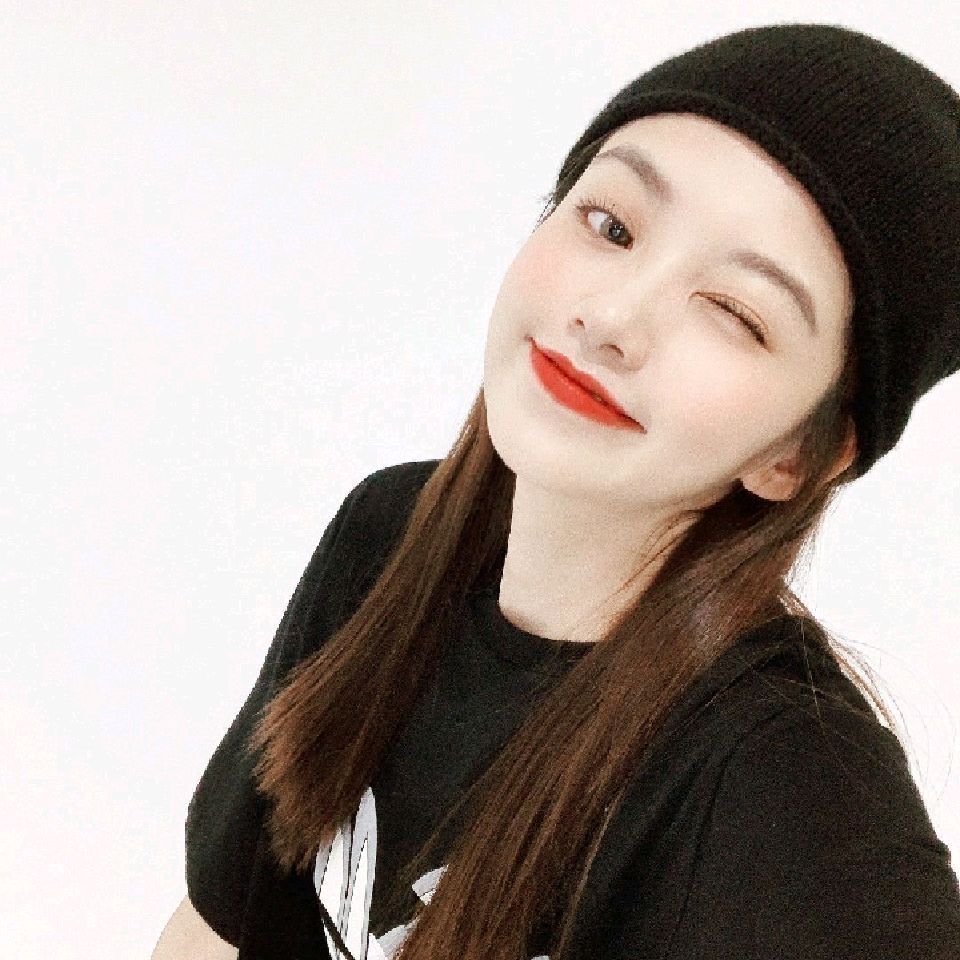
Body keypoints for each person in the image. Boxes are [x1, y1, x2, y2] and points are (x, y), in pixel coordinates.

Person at [158, 21, 960, 960]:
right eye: (611, 225)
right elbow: (218, 933)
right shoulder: (386, 540)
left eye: (735, 312)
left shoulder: (787, 783)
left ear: (797, 456)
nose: (612, 316)